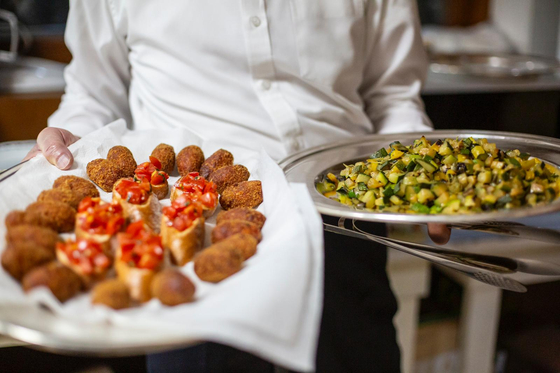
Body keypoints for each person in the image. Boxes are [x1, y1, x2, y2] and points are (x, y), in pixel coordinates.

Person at [25, 1, 450, 371]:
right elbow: (93, 92)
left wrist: (420, 172)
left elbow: (393, 96)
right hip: (190, 238)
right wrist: (71, 135)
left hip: (343, 218)